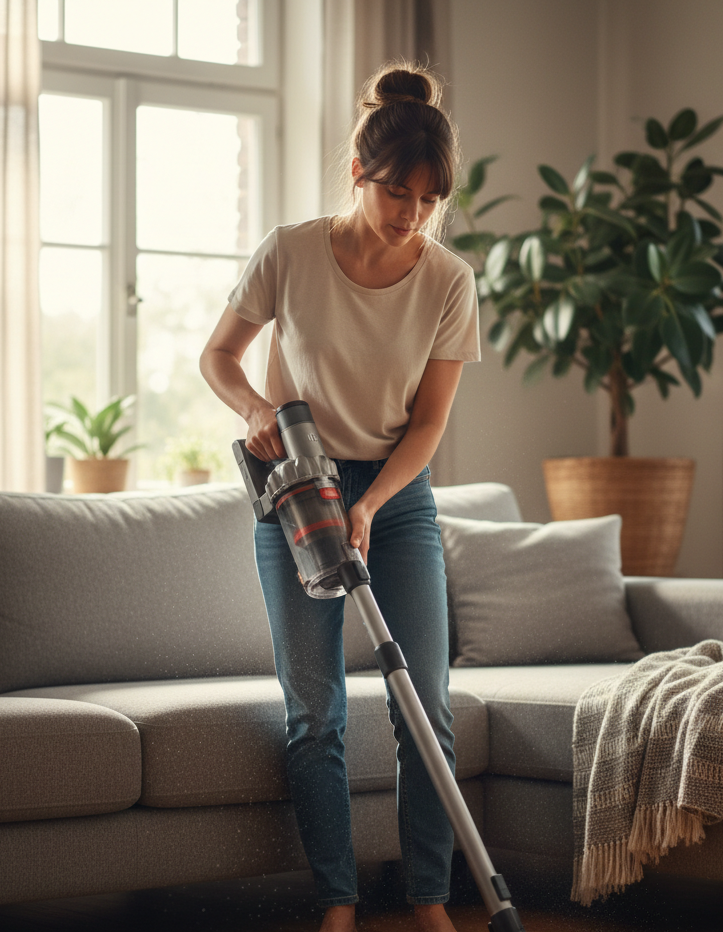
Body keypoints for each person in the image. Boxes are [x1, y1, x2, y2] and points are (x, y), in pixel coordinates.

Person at [199, 61, 480, 932]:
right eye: (399, 192)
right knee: (314, 712)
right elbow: (220, 355)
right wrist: (255, 411)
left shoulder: (448, 280)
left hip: (399, 497)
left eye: (430, 200)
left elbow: (430, 423)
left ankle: (429, 900)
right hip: (300, 489)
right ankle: (337, 903)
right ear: (360, 173)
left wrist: (375, 503)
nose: (412, 216)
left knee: (423, 705)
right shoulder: (289, 251)